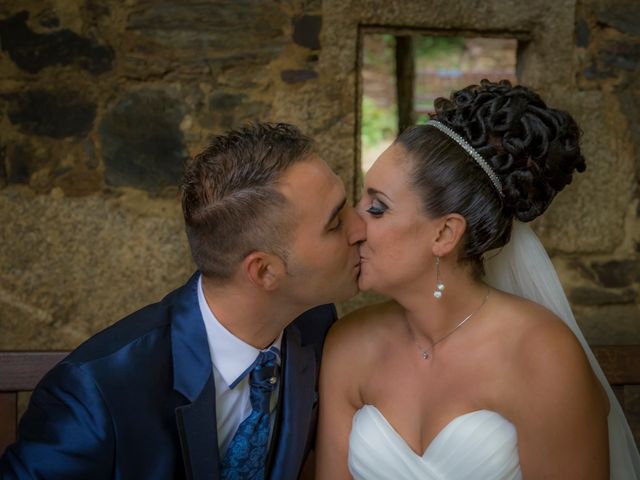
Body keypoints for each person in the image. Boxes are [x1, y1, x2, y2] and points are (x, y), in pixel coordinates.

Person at [0, 123, 366, 479]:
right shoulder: (96, 392)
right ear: (264, 272)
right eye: (335, 224)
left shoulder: (315, 324)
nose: (360, 228)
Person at [316, 80, 640, 479]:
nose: (354, 224)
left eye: (377, 208)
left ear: (444, 234)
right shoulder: (348, 344)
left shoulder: (541, 355)